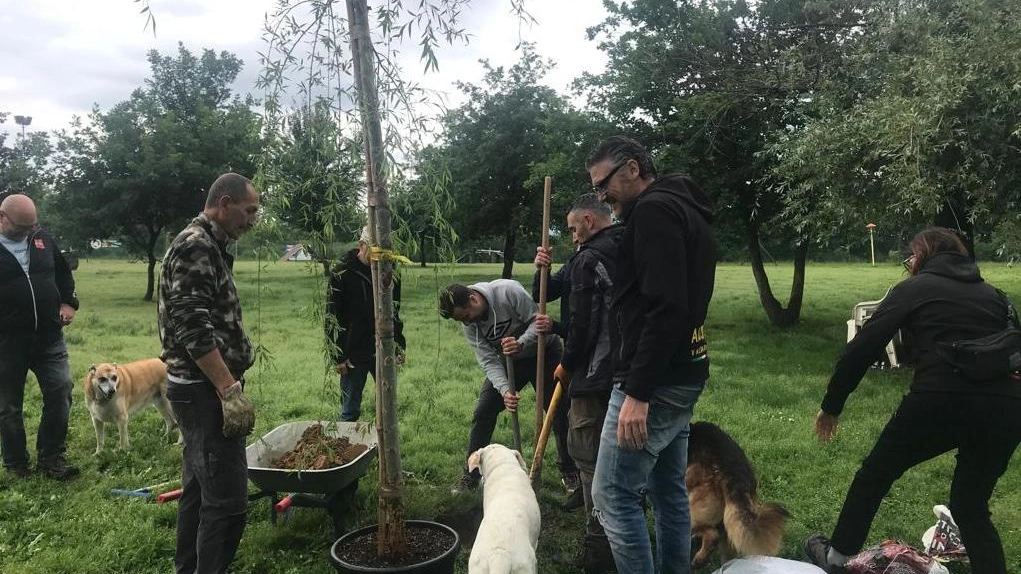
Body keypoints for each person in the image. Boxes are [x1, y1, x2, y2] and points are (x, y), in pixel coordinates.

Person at [804, 227, 1021, 574]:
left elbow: (863, 347)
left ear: (921, 256)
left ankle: (836, 558)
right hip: (1007, 406)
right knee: (971, 508)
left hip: (940, 399)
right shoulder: (997, 297)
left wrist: (832, 405)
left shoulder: (914, 289)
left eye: (910, 259)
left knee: (875, 474)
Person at [587, 136, 717, 574]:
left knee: (613, 495)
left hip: (654, 381)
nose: (601, 196)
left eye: (603, 184)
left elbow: (666, 307)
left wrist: (638, 393)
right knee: (668, 492)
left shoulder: (655, 211)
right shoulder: (681, 206)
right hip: (685, 368)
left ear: (632, 169)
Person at [158, 172, 260, 574]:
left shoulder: (209, 244)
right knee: (228, 503)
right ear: (224, 204)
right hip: (204, 393)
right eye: (249, 210)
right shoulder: (197, 246)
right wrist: (227, 388)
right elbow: (192, 326)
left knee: (198, 492)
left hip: (199, 390)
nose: (253, 220)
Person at [534, 193, 622, 573]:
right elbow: (550, 291)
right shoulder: (624, 244)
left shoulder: (590, 258)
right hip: (628, 372)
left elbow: (585, 327)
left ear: (588, 219)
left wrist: (567, 365)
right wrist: (541, 270)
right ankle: (622, 523)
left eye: (572, 228)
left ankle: (599, 546)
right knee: (620, 457)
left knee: (587, 454)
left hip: (594, 373)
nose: (571, 235)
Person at [439, 279, 577, 492]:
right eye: (462, 321)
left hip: (544, 351)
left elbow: (537, 322)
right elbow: (488, 360)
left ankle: (570, 471)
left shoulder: (508, 291)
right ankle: (472, 474)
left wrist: (520, 342)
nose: (467, 323)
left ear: (473, 299)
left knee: (557, 411)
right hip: (510, 361)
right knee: (484, 410)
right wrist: (504, 391)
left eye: (466, 317)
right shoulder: (470, 326)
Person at [0, 193, 80, 480]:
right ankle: (16, 464)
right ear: (2, 218)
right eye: (22, 228)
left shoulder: (41, 239)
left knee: (61, 391)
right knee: (9, 406)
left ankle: (51, 456)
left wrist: (68, 302)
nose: (28, 233)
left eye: (31, 226)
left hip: (48, 337)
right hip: (7, 343)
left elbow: (63, 273)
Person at [326, 225, 406, 421]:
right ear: (361, 246)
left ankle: (386, 448)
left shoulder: (390, 272)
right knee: (350, 408)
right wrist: (338, 355)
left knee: (388, 404)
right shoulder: (342, 273)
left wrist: (398, 345)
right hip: (353, 351)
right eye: (374, 253)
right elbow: (332, 316)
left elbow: (394, 312)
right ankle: (347, 446)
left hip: (383, 347)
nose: (378, 261)